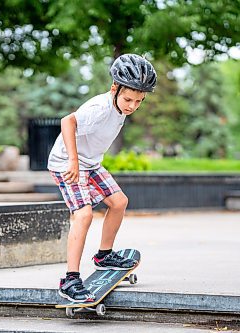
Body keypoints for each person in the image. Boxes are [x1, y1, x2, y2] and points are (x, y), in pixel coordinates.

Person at [47, 54, 157, 303]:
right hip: (67, 164)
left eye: (139, 101)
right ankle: (70, 279)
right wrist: (73, 161)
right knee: (84, 215)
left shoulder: (121, 109)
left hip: (90, 164)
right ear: (114, 89)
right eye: (128, 99)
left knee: (119, 202)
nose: (132, 106)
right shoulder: (99, 107)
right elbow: (67, 122)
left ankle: (104, 255)